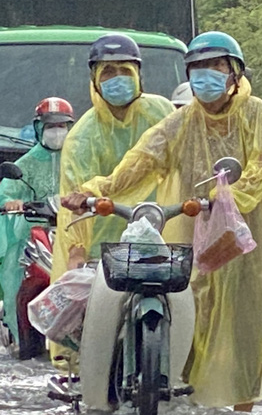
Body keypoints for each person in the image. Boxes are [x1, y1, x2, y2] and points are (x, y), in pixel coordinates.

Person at [61, 31, 262, 411]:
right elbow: (140, 160)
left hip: (248, 235)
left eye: (216, 67)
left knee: (245, 324)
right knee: (190, 307)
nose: (206, 76)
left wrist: (225, 198)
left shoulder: (254, 111)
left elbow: (261, 167)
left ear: (234, 73)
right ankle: (184, 394)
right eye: (198, 68)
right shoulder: (180, 121)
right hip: (192, 226)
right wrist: (93, 190)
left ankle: (242, 410)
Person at [53, 33, 174, 279]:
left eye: (125, 70)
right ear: (95, 80)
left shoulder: (161, 112)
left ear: (138, 76)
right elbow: (74, 197)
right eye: (107, 71)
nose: (117, 78)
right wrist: (77, 252)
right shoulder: (82, 136)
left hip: (164, 237)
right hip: (104, 251)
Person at [0, 97, 75, 349]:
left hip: (73, 233)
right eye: (50, 126)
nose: (56, 132)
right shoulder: (24, 165)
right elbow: (7, 192)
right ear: (39, 128)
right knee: (16, 276)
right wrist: (12, 202)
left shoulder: (80, 161)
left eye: (62, 126)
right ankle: (21, 336)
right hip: (34, 238)